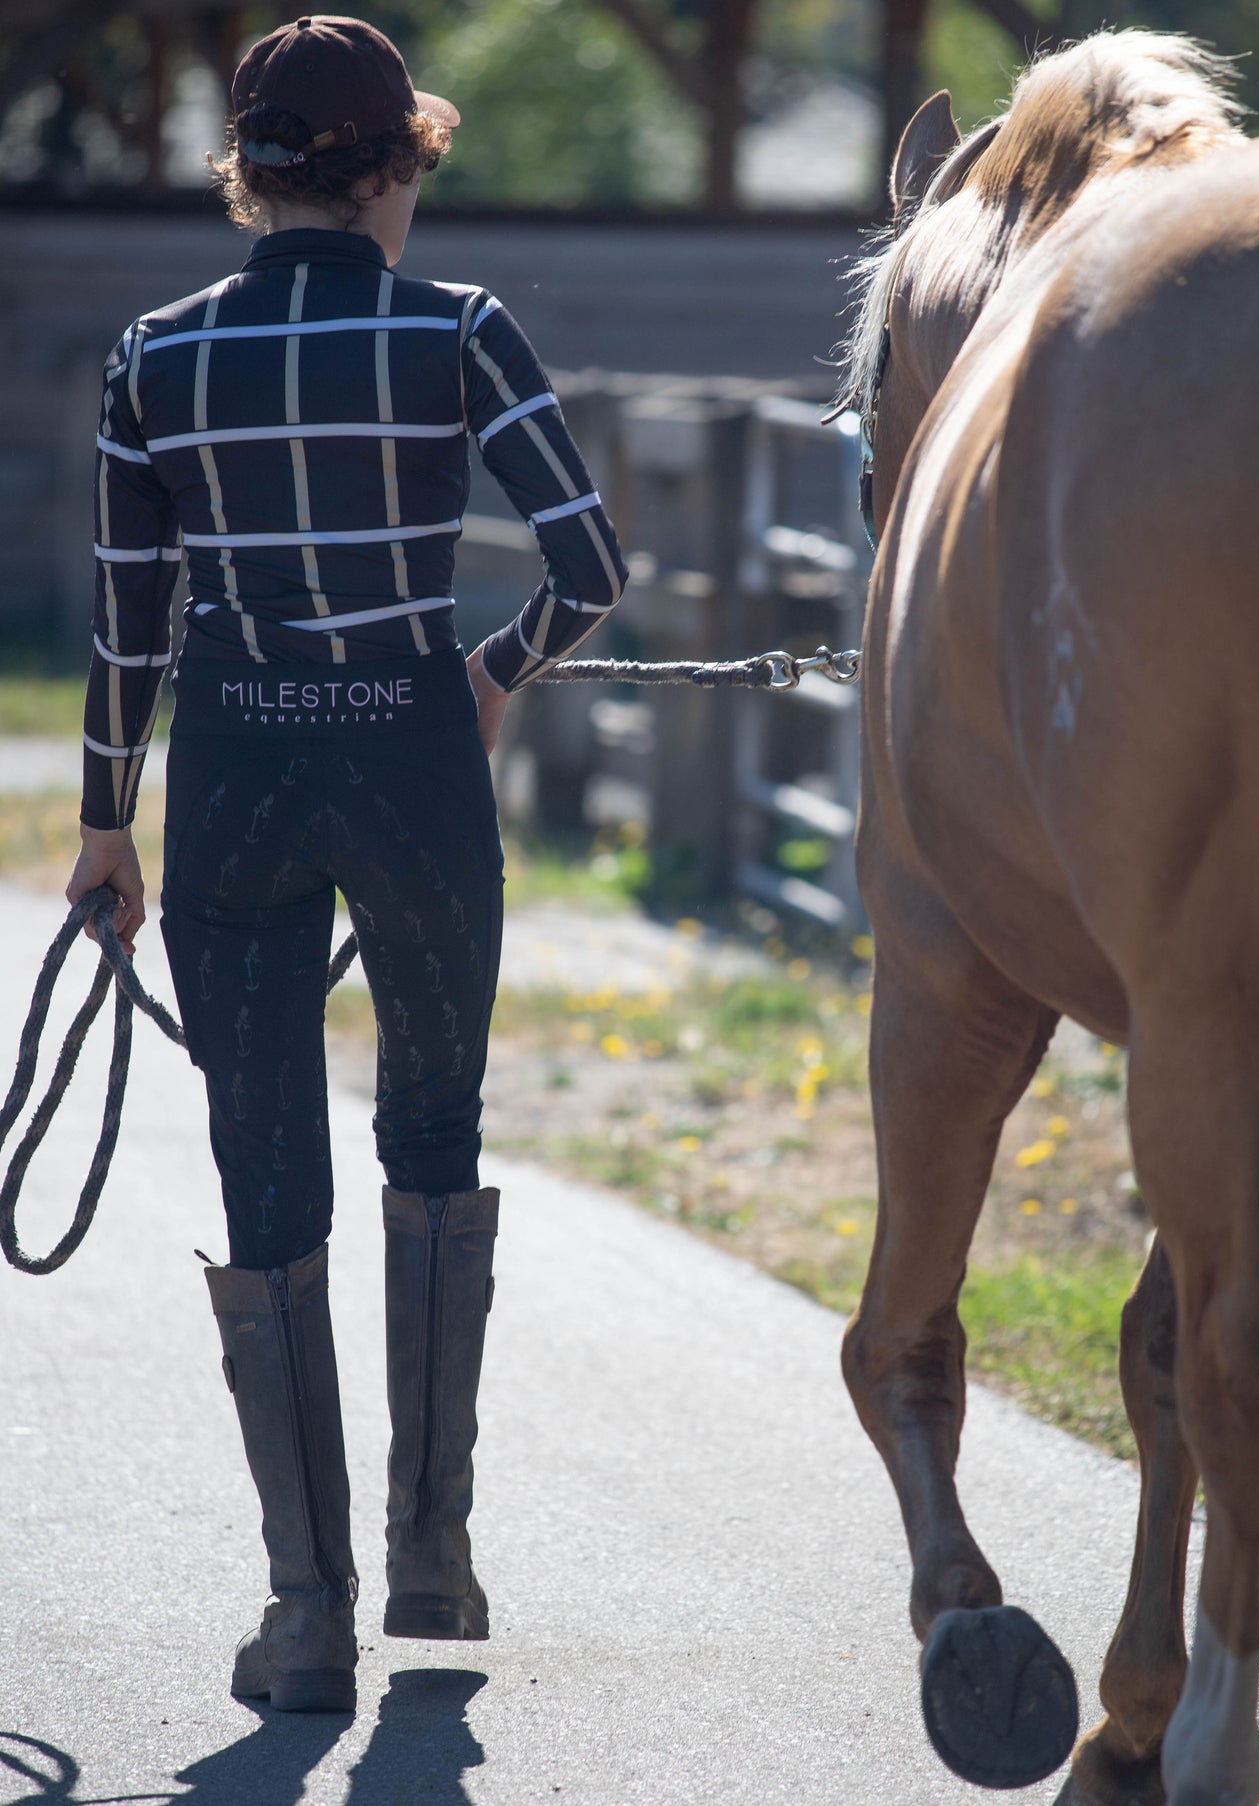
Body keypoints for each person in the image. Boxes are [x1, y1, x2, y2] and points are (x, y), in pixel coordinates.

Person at [65, 15, 627, 1714]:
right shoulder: (458, 331)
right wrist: (493, 666)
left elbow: (124, 624)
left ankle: (305, 1609)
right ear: (393, 165)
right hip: (414, 754)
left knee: (261, 1166)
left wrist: (106, 827)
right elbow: (590, 560)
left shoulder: (153, 356)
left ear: (249, 172)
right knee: (434, 1132)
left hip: (235, 767)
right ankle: (433, 1552)